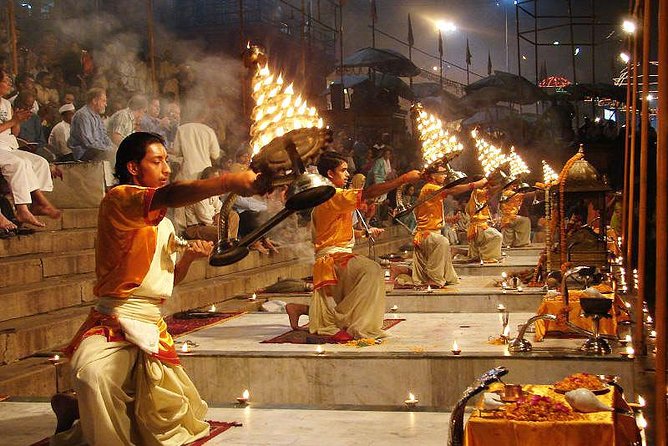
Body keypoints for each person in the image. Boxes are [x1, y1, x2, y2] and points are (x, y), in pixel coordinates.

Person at [50, 132, 259, 445]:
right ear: (134, 168)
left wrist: (187, 258)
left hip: (151, 323)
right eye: (157, 161)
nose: (166, 168)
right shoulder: (119, 197)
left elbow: (168, 281)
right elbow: (172, 194)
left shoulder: (165, 223)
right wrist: (229, 181)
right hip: (113, 320)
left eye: (166, 161)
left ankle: (76, 408)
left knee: (164, 417)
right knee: (91, 376)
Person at [285, 151, 420, 341]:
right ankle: (358, 327)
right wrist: (403, 179)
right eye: (344, 170)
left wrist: (364, 232)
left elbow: (336, 230)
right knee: (371, 271)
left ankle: (303, 309)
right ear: (330, 174)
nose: (348, 174)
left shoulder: (328, 195)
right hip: (333, 259)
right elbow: (368, 193)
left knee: (360, 286)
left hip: (337, 256)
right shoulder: (331, 195)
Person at [0, 69, 61, 227]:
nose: (9, 84)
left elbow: (14, 132)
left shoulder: (6, 103)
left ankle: (36, 204)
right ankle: (22, 209)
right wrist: (13, 120)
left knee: (39, 162)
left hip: (9, 145)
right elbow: (8, 125)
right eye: (6, 81)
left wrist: (17, 120)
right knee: (19, 163)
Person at [412, 171, 488, 287]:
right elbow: (451, 190)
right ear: (433, 175)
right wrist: (476, 184)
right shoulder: (429, 188)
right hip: (426, 234)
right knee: (443, 242)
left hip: (433, 231)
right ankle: (434, 278)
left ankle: (441, 275)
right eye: (442, 173)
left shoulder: (434, 189)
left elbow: (431, 215)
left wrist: (449, 220)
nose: (445, 176)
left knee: (443, 241)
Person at [68, 87, 115, 161]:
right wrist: (108, 150)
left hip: (96, 150)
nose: (105, 104)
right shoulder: (82, 115)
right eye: (103, 101)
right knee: (109, 155)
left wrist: (114, 148)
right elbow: (88, 142)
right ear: (94, 101)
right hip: (83, 153)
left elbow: (104, 136)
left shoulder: (97, 116)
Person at [464, 179, 504, 263]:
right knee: (497, 236)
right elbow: (490, 192)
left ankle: (481, 254)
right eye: (485, 184)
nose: (487, 187)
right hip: (478, 227)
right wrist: (502, 185)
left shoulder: (476, 196)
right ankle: (487, 257)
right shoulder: (477, 192)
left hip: (480, 225)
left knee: (495, 233)